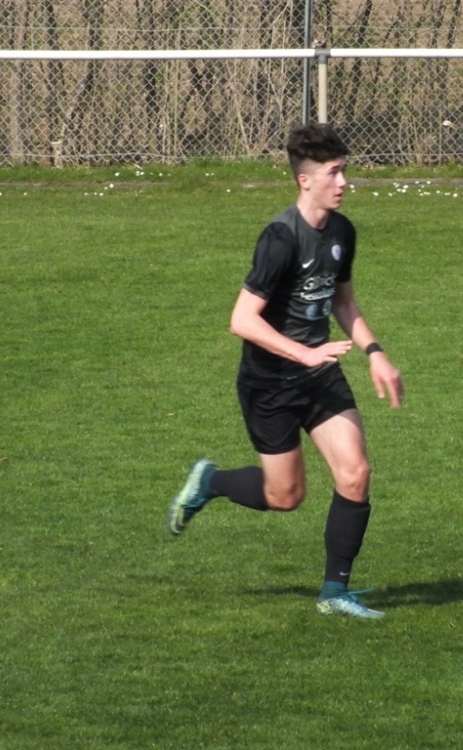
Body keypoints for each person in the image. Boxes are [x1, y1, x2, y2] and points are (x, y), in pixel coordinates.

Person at [166, 122, 403, 619]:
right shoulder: (280, 238)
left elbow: (343, 301)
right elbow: (241, 320)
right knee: (285, 496)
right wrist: (303, 352)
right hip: (269, 384)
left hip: (318, 375)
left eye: (344, 171)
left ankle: (335, 592)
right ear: (305, 180)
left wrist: (375, 352)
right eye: (334, 173)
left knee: (356, 472)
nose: (344, 182)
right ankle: (210, 482)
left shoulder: (342, 232)